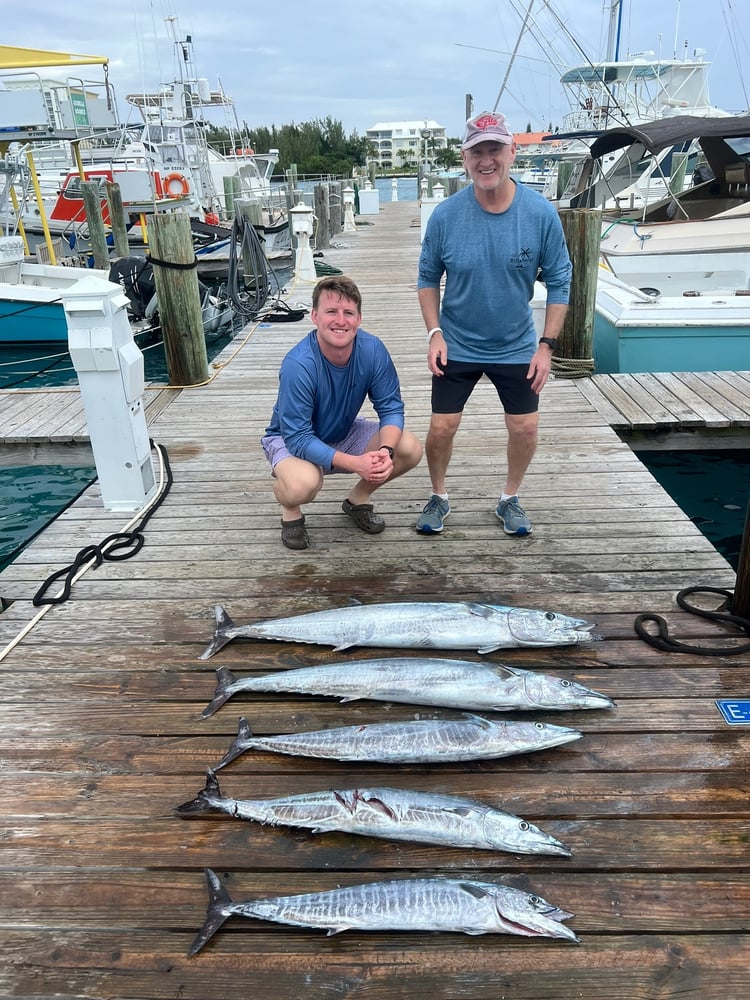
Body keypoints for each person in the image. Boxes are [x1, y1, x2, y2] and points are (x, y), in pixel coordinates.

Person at [415, 110, 571, 537]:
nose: (487, 160)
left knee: (525, 425)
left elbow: (561, 280)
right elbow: (427, 278)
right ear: (465, 158)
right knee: (441, 426)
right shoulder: (445, 216)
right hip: (458, 341)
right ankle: (439, 495)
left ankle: (509, 498)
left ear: (512, 152)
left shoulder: (540, 214)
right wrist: (434, 334)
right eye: (477, 151)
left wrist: (546, 346)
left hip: (516, 343)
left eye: (495, 149)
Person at [261, 275, 422, 550]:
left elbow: (391, 407)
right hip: (291, 439)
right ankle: (289, 508)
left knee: (409, 447)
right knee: (303, 484)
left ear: (358, 319)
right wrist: (355, 463)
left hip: (342, 430)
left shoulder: (373, 349)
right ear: (314, 316)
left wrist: (386, 451)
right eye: (331, 312)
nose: (340, 320)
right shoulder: (299, 364)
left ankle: (357, 500)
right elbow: (298, 437)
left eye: (348, 312)